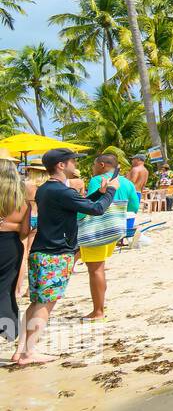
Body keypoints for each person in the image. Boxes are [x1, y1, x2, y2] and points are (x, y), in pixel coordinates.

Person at [18, 148, 118, 366]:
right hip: (55, 254)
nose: (76, 164)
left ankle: (21, 350)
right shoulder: (62, 191)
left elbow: (76, 205)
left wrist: (99, 193)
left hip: (41, 251)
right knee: (46, 304)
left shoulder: (46, 189)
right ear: (61, 165)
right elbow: (97, 210)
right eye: (72, 161)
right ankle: (28, 353)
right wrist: (110, 191)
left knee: (37, 302)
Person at [79, 153, 140, 322]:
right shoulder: (126, 182)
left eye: (94, 165)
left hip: (96, 230)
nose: (92, 168)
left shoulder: (97, 180)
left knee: (95, 270)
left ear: (102, 165)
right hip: (115, 230)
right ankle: (101, 305)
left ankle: (98, 311)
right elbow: (134, 206)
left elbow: (91, 205)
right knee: (100, 268)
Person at [0, 153, 34, 358]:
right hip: (10, 246)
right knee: (5, 289)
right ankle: (9, 329)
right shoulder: (22, 202)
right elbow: (24, 231)